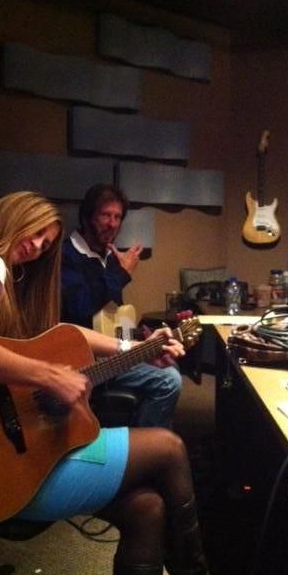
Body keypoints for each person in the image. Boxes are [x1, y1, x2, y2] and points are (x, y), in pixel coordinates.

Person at [0, 191, 214, 575]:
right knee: (169, 448)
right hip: (2, 464)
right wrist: (47, 375)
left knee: (146, 509)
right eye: (35, 232)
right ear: (12, 215)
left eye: (46, 242)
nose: (38, 246)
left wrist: (134, 348)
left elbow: (63, 333)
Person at [61, 183, 184, 429]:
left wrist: (138, 338)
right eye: (105, 215)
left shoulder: (107, 256)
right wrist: (121, 274)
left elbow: (110, 313)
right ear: (87, 217)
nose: (112, 224)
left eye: (117, 217)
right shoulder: (67, 255)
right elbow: (79, 310)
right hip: (84, 359)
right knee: (169, 380)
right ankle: (145, 445)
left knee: (171, 363)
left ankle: (142, 433)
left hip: (111, 349)